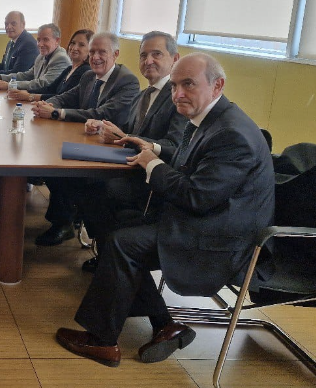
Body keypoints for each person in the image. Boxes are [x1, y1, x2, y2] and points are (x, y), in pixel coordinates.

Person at [55, 53, 274, 367]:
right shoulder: (210, 117)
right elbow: (186, 159)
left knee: (123, 241)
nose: (178, 94)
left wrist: (152, 164)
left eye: (188, 84)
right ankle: (165, 325)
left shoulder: (232, 134)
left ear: (217, 86)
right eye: (174, 86)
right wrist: (148, 147)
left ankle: (101, 341)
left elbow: (197, 196)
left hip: (223, 238)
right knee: (112, 222)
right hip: (205, 219)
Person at [78, 31, 188, 272]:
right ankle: (108, 253)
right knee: (81, 182)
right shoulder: (144, 94)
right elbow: (127, 132)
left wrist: (128, 139)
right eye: (143, 55)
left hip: (153, 183)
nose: (148, 61)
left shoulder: (178, 97)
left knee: (93, 188)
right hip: (128, 168)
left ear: (175, 58)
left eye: (156, 54)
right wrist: (103, 128)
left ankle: (112, 258)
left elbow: (175, 146)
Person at [31, 32, 140, 246]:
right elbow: (66, 96)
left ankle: (69, 223)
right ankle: (67, 219)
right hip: (87, 141)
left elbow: (102, 113)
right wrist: (48, 104)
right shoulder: (89, 76)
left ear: (116, 54)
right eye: (92, 52)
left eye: (102, 52)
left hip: (113, 149)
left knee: (63, 172)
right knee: (50, 164)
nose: (95, 57)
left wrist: (57, 113)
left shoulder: (127, 81)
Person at [8, 29, 93, 103]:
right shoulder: (69, 69)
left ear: (91, 49)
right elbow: (50, 89)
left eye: (81, 45)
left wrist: (30, 96)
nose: (74, 48)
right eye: (73, 43)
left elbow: (61, 97)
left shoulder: (85, 71)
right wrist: (25, 92)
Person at [0, 23, 70, 93]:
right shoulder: (41, 56)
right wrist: (0, 77)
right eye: (38, 40)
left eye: (45, 39)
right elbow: (26, 75)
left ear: (57, 41)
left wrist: (10, 85)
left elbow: (43, 84)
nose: (40, 44)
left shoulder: (61, 58)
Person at [0, 11, 40, 79]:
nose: (8, 27)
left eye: (13, 23)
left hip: (20, 87)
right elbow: (4, 65)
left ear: (23, 24)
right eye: (6, 24)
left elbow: (17, 73)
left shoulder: (28, 44)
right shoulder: (11, 42)